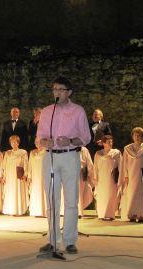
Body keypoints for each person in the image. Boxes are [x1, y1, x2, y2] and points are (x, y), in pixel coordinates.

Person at [37, 76, 91, 255]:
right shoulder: (46, 111)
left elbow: (86, 137)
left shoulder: (78, 111)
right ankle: (52, 240)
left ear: (69, 92)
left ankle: (69, 241)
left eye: (61, 89)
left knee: (71, 200)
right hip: (50, 157)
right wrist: (46, 142)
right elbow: (39, 137)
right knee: (52, 201)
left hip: (70, 157)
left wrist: (70, 140)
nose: (57, 92)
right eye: (54, 89)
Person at [120, 127, 143, 223]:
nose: (137, 137)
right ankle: (132, 214)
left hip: (142, 175)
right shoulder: (127, 149)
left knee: (141, 195)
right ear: (132, 136)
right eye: (135, 135)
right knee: (131, 194)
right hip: (131, 174)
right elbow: (124, 163)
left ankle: (141, 215)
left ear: (142, 137)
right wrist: (125, 175)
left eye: (139, 135)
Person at [59, 147, 95, 218]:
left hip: (79, 174)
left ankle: (78, 212)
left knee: (78, 193)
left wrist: (90, 175)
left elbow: (89, 164)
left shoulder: (84, 150)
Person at [94, 135, 122, 220]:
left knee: (111, 196)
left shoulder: (116, 153)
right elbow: (95, 167)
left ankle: (110, 214)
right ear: (103, 143)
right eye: (108, 142)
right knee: (102, 196)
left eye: (111, 141)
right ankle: (101, 214)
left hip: (111, 178)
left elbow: (121, 165)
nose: (110, 143)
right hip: (101, 179)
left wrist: (121, 177)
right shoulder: (98, 154)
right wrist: (95, 179)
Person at [1, 135, 29, 216]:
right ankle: (11, 210)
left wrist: (25, 174)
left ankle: (19, 210)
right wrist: (3, 176)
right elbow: (4, 166)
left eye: (15, 142)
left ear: (18, 143)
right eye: (12, 142)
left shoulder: (23, 152)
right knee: (10, 192)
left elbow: (26, 164)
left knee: (18, 192)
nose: (13, 143)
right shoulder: (7, 153)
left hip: (18, 176)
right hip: (9, 176)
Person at [28, 137, 47, 217]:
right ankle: (37, 211)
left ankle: (45, 211)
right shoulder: (32, 152)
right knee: (36, 192)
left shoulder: (47, 151)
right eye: (36, 142)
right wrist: (29, 176)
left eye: (40, 142)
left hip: (44, 176)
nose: (38, 144)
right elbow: (30, 165)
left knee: (44, 192)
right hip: (35, 176)